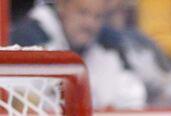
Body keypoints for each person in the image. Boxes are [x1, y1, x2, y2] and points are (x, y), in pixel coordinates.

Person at [11, 0, 148, 109]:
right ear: (62, 6)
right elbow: (20, 100)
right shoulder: (27, 40)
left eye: (98, 16)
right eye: (83, 12)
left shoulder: (108, 44)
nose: (90, 24)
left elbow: (132, 98)